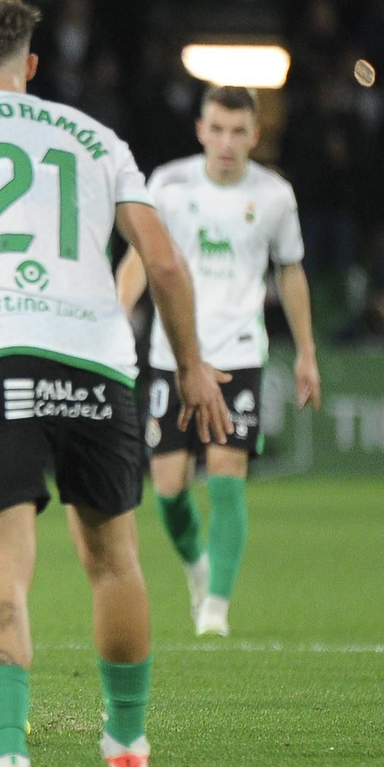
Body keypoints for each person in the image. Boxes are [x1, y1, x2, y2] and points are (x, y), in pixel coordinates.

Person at [0, 0, 231, 767]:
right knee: (115, 560)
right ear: (31, 63)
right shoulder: (94, 134)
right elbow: (166, 261)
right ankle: (129, 747)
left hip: (2, 356)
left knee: (4, 561)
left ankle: (7, 762)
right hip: (103, 362)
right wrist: (192, 365)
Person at [115, 85, 320, 637]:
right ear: (201, 129)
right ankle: (197, 570)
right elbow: (143, 257)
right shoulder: (169, 185)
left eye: (238, 131)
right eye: (217, 129)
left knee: (227, 475)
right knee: (169, 490)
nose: (227, 142)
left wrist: (306, 351)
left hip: (238, 356)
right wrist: (116, 313)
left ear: (255, 134)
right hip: (172, 356)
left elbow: (291, 270)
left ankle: (216, 610)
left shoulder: (275, 196)